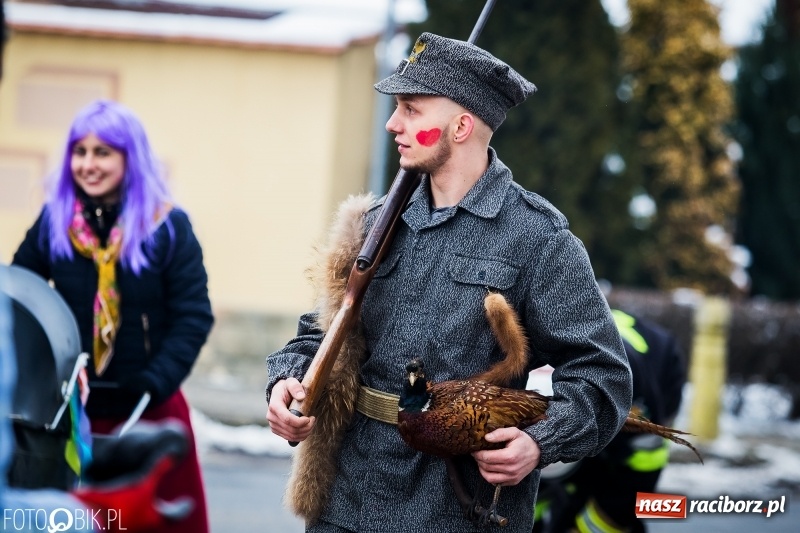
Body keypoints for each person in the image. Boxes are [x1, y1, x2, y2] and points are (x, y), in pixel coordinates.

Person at [266, 32, 633, 533]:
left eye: (411, 109)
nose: (393, 123)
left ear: (461, 126)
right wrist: (287, 381)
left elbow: (602, 376)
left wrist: (539, 442)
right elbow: (320, 333)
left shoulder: (538, 238)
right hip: (347, 501)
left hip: (459, 509)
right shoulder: (374, 225)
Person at [11, 99, 214, 533]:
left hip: (150, 410)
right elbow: (19, 302)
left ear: (130, 158)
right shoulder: (54, 223)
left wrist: (154, 381)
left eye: (102, 152)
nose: (88, 164)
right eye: (79, 152)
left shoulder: (167, 228)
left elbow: (192, 317)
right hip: (71, 411)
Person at [533, 310, 687, 533]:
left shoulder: (631, 396)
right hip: (593, 364)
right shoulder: (521, 378)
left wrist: (588, 528)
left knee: (611, 496)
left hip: (658, 371)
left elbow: (643, 467)